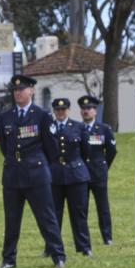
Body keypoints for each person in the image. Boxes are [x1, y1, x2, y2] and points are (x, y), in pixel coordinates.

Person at [0, 75, 66, 268]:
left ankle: (58, 255)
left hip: (36, 174)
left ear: (32, 91)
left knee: (47, 218)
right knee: (11, 220)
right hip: (12, 175)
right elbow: (4, 146)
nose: (18, 92)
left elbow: (52, 147)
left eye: (22, 89)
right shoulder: (5, 116)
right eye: (15, 90)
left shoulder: (42, 115)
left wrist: (37, 163)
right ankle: (9, 259)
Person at [47, 98, 92, 257]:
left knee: (78, 212)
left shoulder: (78, 127)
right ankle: (52, 247)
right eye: (57, 110)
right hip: (54, 175)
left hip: (76, 175)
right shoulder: (48, 127)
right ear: (54, 111)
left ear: (68, 110)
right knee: (53, 214)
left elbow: (86, 151)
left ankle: (84, 246)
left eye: (63, 110)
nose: (60, 112)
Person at [78, 95, 117, 246]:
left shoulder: (104, 129)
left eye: (89, 108)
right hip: (82, 174)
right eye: (83, 109)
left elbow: (112, 151)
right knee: (82, 207)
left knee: (103, 207)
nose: (86, 111)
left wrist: (104, 166)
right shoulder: (78, 128)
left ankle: (107, 237)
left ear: (95, 111)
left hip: (98, 173)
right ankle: (84, 239)